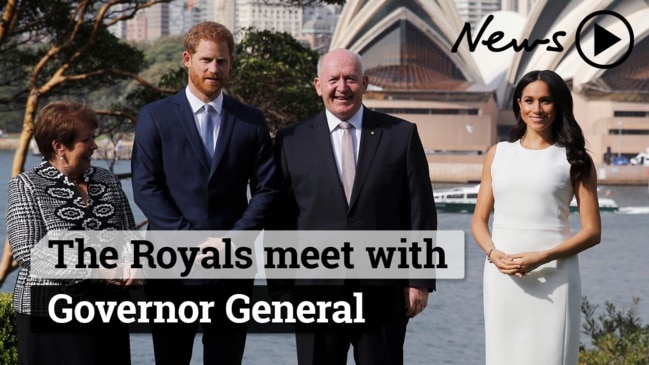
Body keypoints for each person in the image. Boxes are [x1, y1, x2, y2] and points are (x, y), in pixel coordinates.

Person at [271, 48, 437, 365]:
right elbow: (281, 219)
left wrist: (418, 279)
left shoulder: (400, 135)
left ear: (366, 83)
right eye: (333, 79)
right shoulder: (291, 140)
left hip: (384, 290)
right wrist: (281, 288)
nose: (342, 87)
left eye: (350, 78)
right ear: (318, 85)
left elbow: (420, 212)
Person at [131, 21, 277, 365]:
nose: (214, 69)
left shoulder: (251, 121)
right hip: (171, 269)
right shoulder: (155, 117)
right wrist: (191, 243)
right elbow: (146, 188)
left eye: (222, 62)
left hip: (234, 269)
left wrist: (231, 241)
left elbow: (268, 190)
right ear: (187, 59)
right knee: (171, 358)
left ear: (231, 64)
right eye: (207, 60)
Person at [471, 70, 601, 365]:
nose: (537, 109)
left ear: (559, 105)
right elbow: (479, 221)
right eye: (529, 100)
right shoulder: (497, 153)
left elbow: (592, 231)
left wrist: (542, 256)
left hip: (554, 275)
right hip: (502, 277)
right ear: (518, 103)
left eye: (546, 101)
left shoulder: (575, 158)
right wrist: (493, 254)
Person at [5, 100, 137, 365]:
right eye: (86, 139)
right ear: (59, 146)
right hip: (50, 312)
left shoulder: (106, 180)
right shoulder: (27, 185)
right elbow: (28, 251)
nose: (95, 146)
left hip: (108, 310)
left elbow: (130, 234)